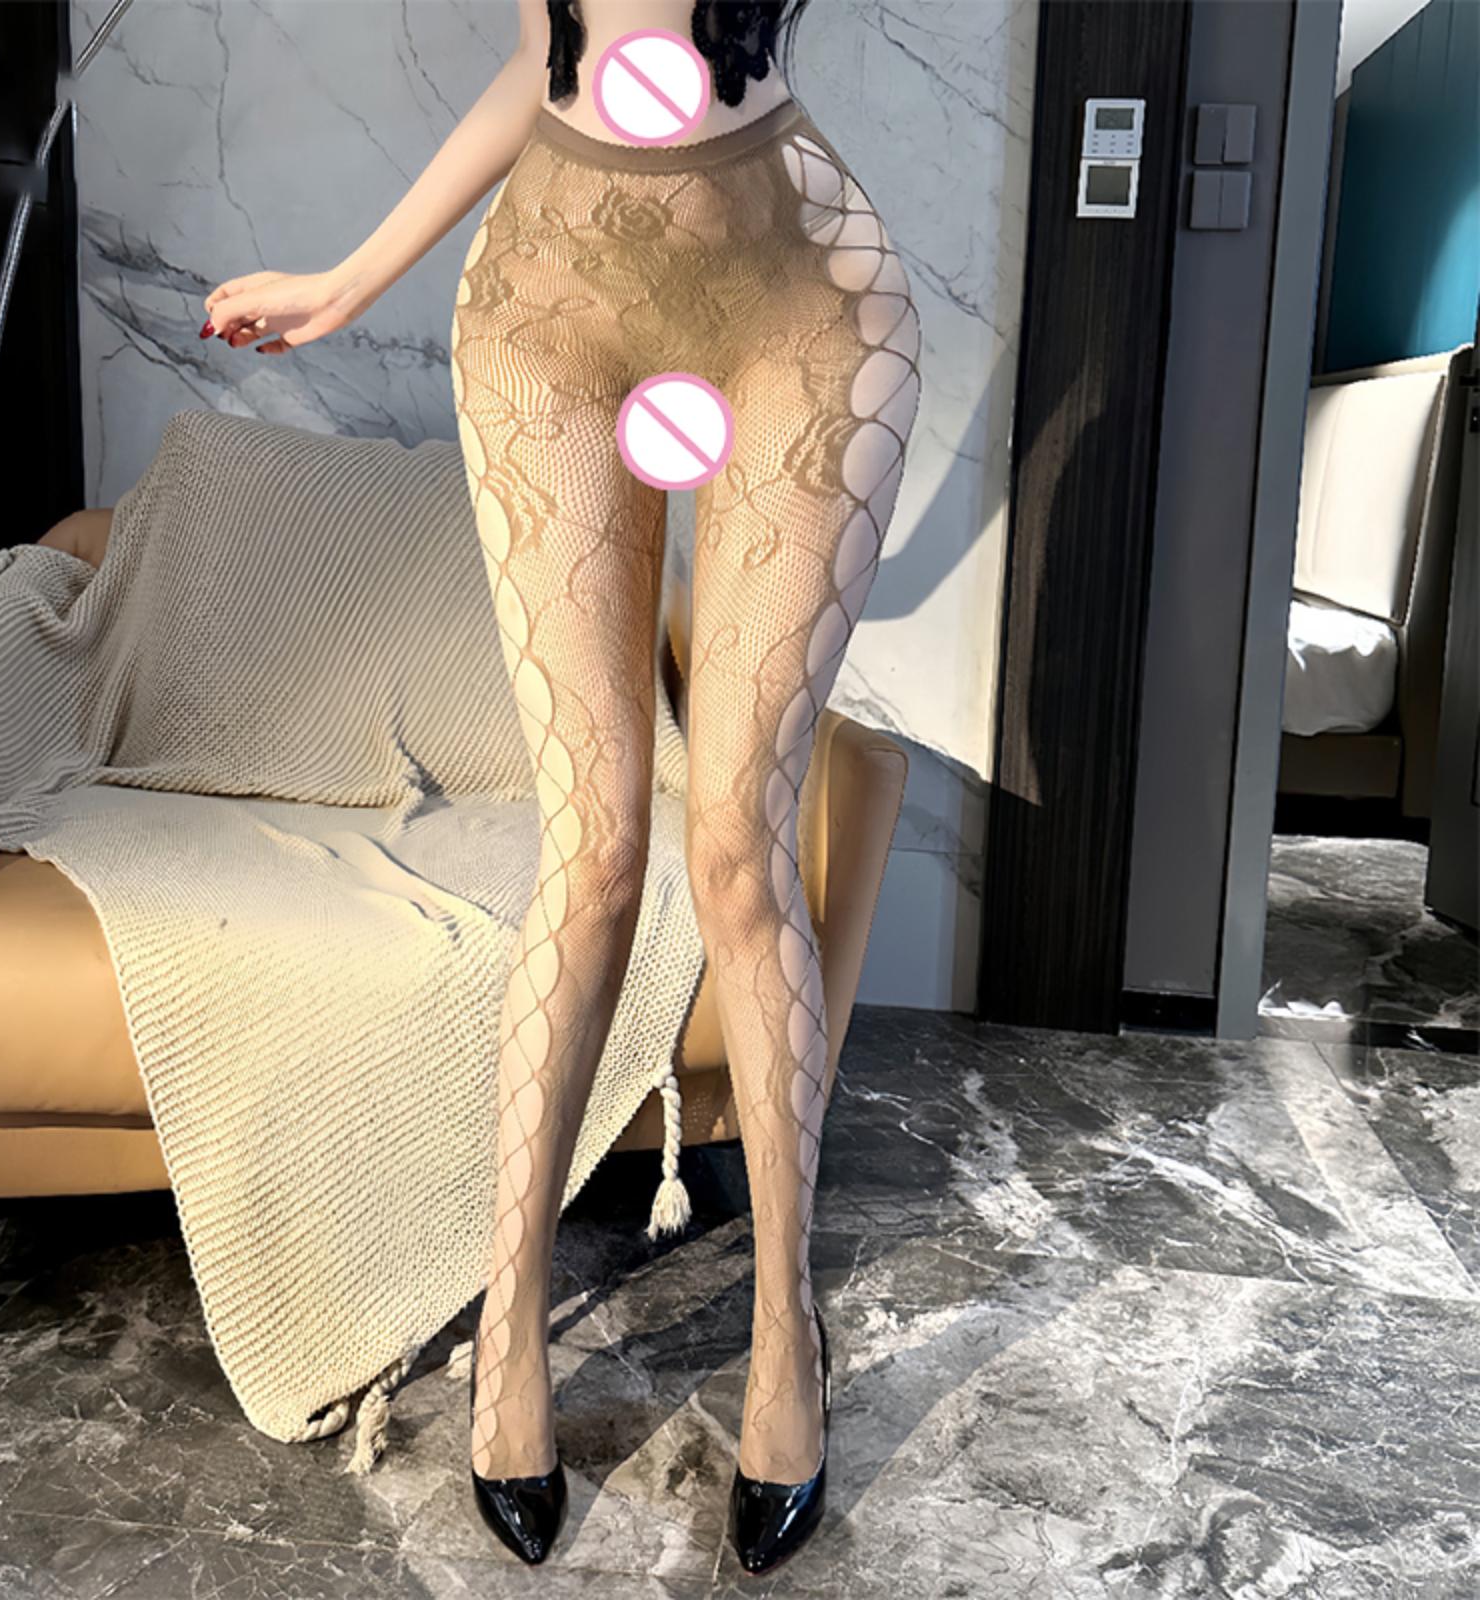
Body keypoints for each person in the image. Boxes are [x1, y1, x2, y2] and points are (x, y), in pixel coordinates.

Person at [202, 0, 920, 1576]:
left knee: (736, 847)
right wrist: (350, 278)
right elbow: (545, 55)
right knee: (591, 849)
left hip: (799, 294)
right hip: (546, 305)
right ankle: (513, 1321)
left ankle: (785, 1334)